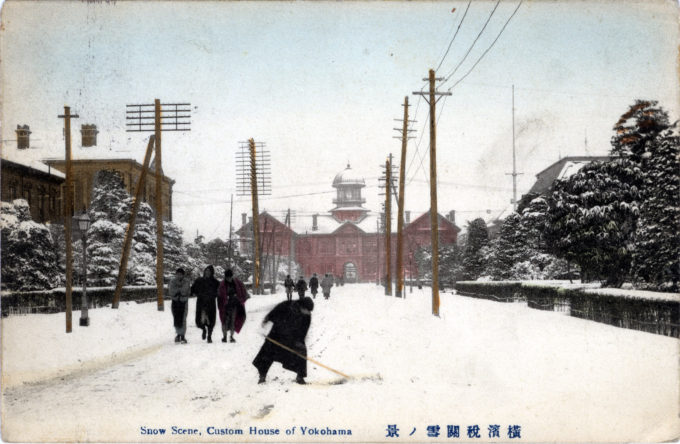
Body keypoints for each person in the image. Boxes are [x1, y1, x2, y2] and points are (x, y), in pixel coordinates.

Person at [253, 297, 314, 385]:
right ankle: (262, 376)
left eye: (309, 311)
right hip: (277, 334)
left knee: (301, 351)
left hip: (293, 337)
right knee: (267, 354)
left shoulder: (307, 315)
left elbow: (304, 330)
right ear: (301, 306)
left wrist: (299, 341)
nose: (308, 312)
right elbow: (274, 312)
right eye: (307, 310)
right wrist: (266, 320)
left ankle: (300, 377)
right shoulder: (287, 305)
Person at [218, 269, 249, 343]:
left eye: (230, 277)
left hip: (235, 305)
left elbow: (243, 290)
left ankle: (231, 336)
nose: (228, 278)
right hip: (225, 306)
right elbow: (219, 295)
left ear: (232, 276)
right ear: (225, 277)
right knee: (225, 321)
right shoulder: (222, 284)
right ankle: (224, 336)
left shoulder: (237, 283)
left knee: (233, 321)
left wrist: (242, 298)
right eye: (227, 277)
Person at [192, 265, 219, 343]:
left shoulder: (215, 282)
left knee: (211, 320)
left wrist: (214, 295)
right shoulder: (199, 280)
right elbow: (193, 289)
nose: (207, 273)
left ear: (212, 273)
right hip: (201, 303)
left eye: (209, 271)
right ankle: (203, 329)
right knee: (199, 320)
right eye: (206, 271)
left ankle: (209, 336)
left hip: (211, 303)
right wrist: (194, 293)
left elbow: (219, 291)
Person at [169, 268, 190, 344]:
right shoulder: (172, 281)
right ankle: (178, 334)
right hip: (175, 302)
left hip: (183, 302)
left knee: (183, 318)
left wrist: (178, 291)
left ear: (183, 275)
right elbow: (171, 291)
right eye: (178, 274)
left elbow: (185, 291)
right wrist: (179, 291)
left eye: (181, 274)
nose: (179, 276)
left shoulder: (187, 281)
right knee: (176, 318)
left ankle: (183, 335)